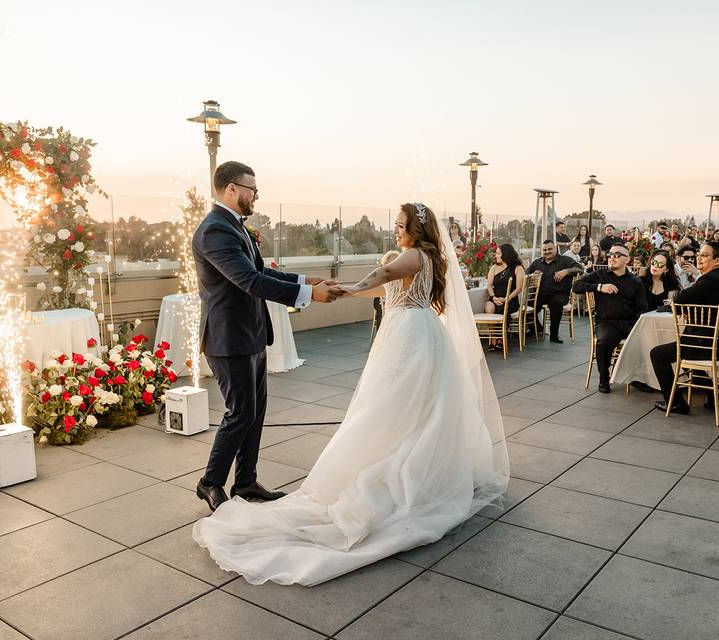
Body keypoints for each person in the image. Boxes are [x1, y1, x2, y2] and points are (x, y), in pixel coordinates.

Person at [194, 202, 508, 586]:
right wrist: (335, 290)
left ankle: (403, 476)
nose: (396, 230)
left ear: (417, 230)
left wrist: (352, 285)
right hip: (409, 332)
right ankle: (241, 479)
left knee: (397, 407)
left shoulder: (415, 255)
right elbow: (381, 287)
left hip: (411, 335)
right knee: (408, 407)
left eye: (401, 225)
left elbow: (384, 273)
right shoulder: (418, 255)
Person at [192, 161, 342, 512]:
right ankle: (210, 482)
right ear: (231, 188)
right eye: (251, 189)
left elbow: (261, 271)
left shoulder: (235, 227)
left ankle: (245, 482)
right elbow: (250, 281)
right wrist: (307, 297)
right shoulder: (215, 231)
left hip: (252, 334)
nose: (255, 195)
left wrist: (307, 282)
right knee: (240, 412)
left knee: (255, 411)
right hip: (229, 338)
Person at [650, 241, 719, 415]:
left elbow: (681, 298)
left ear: (718, 261)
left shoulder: (710, 279)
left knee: (657, 354)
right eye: (699, 254)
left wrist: (695, 283)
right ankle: (711, 393)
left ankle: (677, 403)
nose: (699, 257)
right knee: (685, 349)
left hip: (713, 346)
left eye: (705, 255)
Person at [573, 243, 647, 393]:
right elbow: (577, 286)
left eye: (617, 255)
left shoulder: (635, 281)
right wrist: (599, 287)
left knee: (647, 340)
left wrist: (639, 327)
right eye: (610, 254)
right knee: (604, 342)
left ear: (627, 260)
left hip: (629, 323)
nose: (612, 257)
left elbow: (642, 308)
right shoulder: (600, 275)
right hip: (607, 322)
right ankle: (604, 379)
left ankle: (636, 377)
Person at [526, 239, 585, 343]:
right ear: (541, 250)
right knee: (527, 306)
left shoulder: (565, 260)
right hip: (541, 294)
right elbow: (525, 274)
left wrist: (566, 271)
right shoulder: (537, 262)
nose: (547, 251)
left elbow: (580, 269)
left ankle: (554, 335)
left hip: (559, 294)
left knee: (556, 303)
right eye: (544, 250)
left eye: (550, 249)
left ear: (555, 248)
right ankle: (537, 328)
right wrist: (532, 275)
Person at [484, 243, 526, 350]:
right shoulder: (494, 267)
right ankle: (494, 336)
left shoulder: (518, 268)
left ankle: (501, 338)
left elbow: (519, 288)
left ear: (506, 255)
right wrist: (493, 297)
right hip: (495, 298)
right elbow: (489, 285)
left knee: (503, 308)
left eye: (498, 254)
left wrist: (506, 299)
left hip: (510, 300)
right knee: (489, 308)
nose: (496, 256)